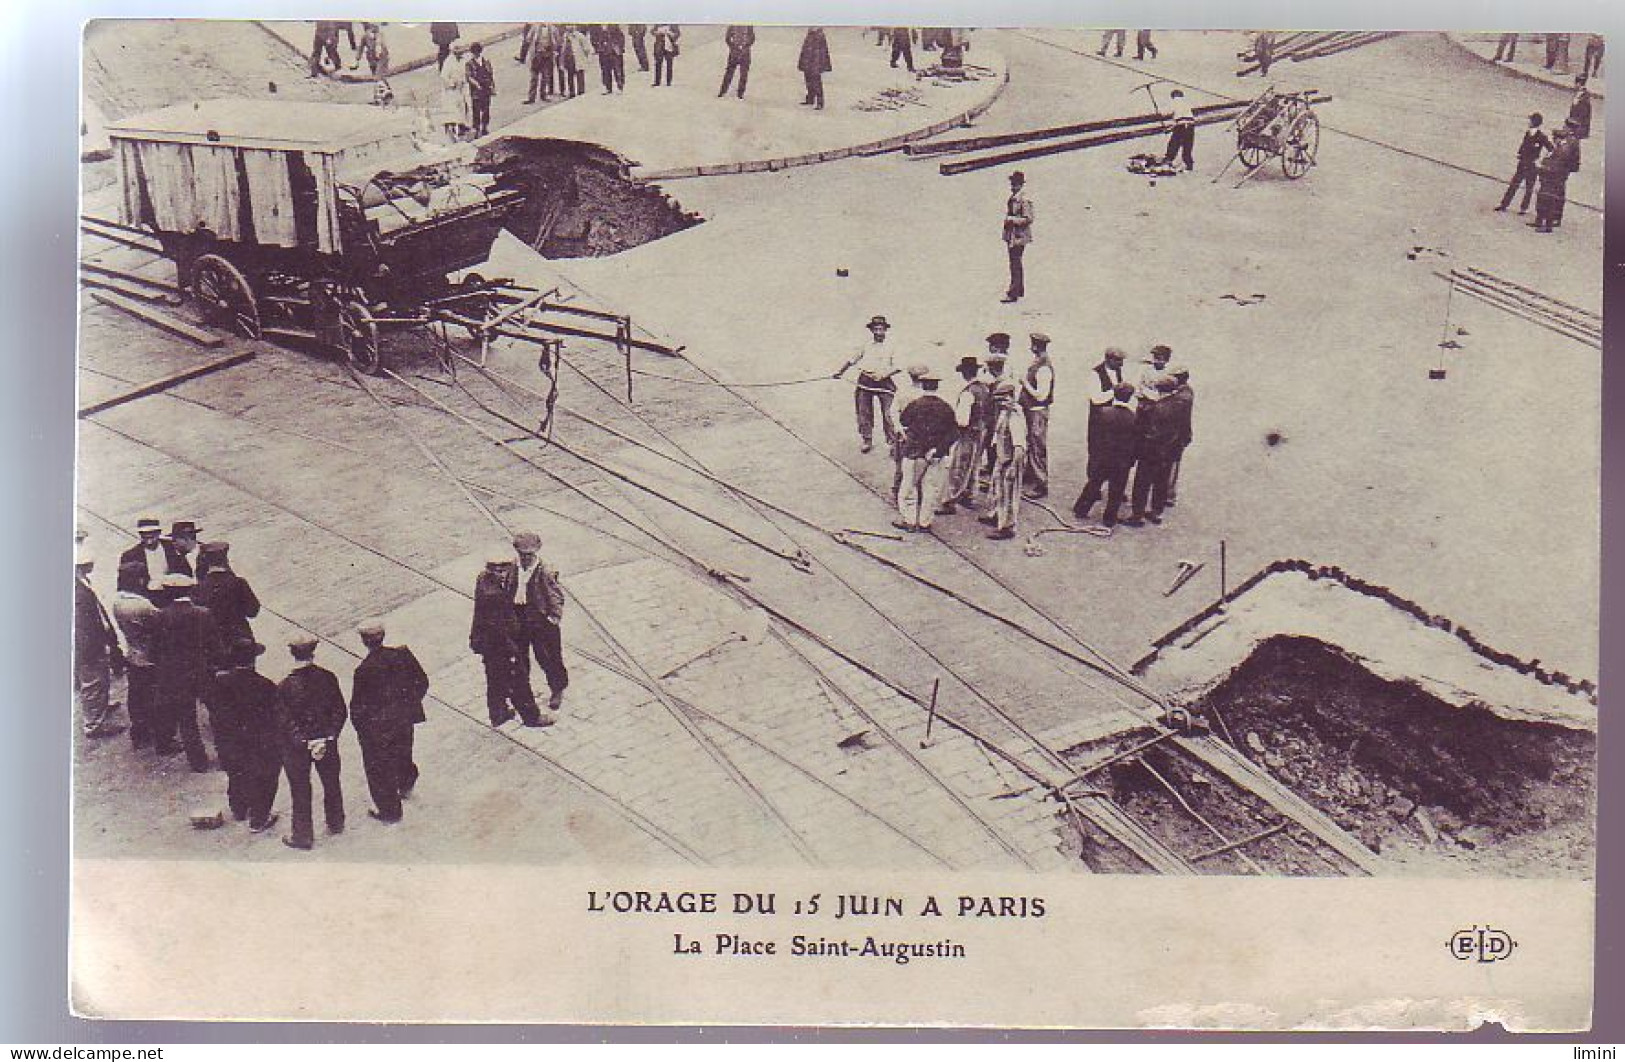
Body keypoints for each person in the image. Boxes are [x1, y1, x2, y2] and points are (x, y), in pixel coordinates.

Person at [349, 620, 430, 823]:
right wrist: (409, 704)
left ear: (364, 641)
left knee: (379, 769)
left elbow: (358, 707)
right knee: (404, 753)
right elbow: (422, 681)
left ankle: (390, 811)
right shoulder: (402, 655)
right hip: (404, 719)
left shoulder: (364, 670)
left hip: (380, 728)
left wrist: (363, 731)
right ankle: (406, 783)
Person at [275, 635, 348, 850]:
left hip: (297, 748)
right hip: (327, 741)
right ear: (313, 653)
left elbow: (284, 721)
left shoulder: (285, 686)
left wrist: (303, 741)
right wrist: (329, 736)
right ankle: (336, 822)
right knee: (332, 782)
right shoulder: (328, 677)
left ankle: (303, 835)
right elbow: (340, 711)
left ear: (292, 654)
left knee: (300, 789)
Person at [203, 639, 282, 833]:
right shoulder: (265, 685)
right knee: (265, 776)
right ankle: (259, 818)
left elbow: (213, 710)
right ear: (254, 660)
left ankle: (239, 809)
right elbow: (275, 716)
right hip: (257, 741)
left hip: (229, 739)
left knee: (236, 772)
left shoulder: (220, 682)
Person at [470, 552, 546, 728]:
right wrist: (512, 648)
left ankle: (498, 713)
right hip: (499, 642)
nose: (501, 572)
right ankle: (531, 717)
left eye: (504, 568)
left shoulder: (484, 580)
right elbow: (499, 626)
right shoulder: (493, 593)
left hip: (487, 641)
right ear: (490, 570)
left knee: (495, 677)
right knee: (518, 678)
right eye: (496, 569)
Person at [151, 573, 214, 771]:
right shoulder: (203, 613)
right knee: (218, 712)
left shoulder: (161, 616)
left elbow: (154, 649)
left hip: (176, 675)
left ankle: (199, 762)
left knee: (187, 719)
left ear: (168, 592)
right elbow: (216, 648)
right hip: (203, 671)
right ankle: (228, 754)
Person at [893, 366, 959, 532]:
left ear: (923, 385)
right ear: (937, 386)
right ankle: (925, 523)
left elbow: (904, 421)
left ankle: (909, 520)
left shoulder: (915, 405)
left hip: (915, 453)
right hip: (938, 455)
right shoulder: (946, 407)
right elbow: (954, 432)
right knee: (931, 489)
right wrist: (937, 449)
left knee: (909, 487)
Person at [512, 530, 569, 714]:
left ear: (536, 551)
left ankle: (557, 689)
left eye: (529, 554)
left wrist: (553, 618)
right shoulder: (513, 567)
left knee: (548, 657)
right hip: (519, 617)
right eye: (522, 553)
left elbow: (556, 597)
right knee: (519, 658)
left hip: (540, 620)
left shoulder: (545, 571)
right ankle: (522, 692)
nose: (526, 557)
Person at [1072, 384, 1139, 530]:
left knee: (1094, 483)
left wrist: (1095, 455)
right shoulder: (1133, 417)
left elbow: (1096, 437)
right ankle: (1109, 518)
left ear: (1114, 394)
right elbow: (1135, 443)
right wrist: (1131, 461)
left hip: (1104, 458)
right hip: (1122, 462)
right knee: (1117, 490)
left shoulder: (1103, 413)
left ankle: (1081, 509)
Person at [74, 548, 125, 740]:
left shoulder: (82, 583)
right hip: (89, 647)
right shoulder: (78, 592)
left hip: (95, 642)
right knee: (92, 683)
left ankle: (101, 707)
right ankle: (93, 724)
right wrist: (92, 648)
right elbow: (82, 626)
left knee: (100, 680)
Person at [832, 316, 901, 454]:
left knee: (889, 414)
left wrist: (883, 375)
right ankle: (867, 439)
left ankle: (893, 442)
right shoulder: (865, 345)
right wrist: (839, 372)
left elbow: (898, 366)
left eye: (881, 329)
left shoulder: (892, 346)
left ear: (886, 330)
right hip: (866, 381)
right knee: (863, 412)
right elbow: (851, 360)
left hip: (884, 381)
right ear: (872, 330)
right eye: (876, 329)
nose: (878, 332)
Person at [111, 561, 159, 749]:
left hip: (132, 653)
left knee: (136, 696)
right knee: (152, 695)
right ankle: (154, 730)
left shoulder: (118, 601)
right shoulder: (142, 604)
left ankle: (139, 733)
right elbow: (159, 621)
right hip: (149, 655)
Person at [1126, 375, 1182, 526]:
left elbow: (1151, 432)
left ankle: (1137, 516)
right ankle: (1156, 512)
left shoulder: (1157, 408)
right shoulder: (1178, 403)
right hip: (1168, 451)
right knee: (1161, 483)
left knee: (1142, 484)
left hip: (1151, 452)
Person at [939, 356, 993, 513]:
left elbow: (962, 420)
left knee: (959, 467)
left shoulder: (967, 393)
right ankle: (969, 495)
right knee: (974, 465)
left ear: (965, 373)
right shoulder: (984, 388)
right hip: (982, 431)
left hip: (968, 434)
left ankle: (950, 501)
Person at [194, 542, 260, 666]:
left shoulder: (199, 587)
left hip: (214, 643)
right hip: (240, 639)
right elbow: (253, 611)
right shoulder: (239, 583)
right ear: (226, 559)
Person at [978, 380, 1028, 540]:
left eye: (1004, 399)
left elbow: (1019, 447)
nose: (1000, 403)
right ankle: (996, 515)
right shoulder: (1004, 413)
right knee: (997, 490)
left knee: (1009, 494)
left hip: (1011, 459)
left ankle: (1007, 527)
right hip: (1002, 457)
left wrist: (1013, 467)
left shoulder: (1015, 416)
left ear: (1012, 397)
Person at [1019, 332, 1055, 499]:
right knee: (1031, 444)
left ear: (1037, 346)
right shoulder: (1038, 362)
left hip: (1037, 413)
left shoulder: (1044, 368)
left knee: (1037, 446)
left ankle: (1041, 484)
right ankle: (1030, 475)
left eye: (1033, 344)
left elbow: (1041, 395)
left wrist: (1024, 384)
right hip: (1031, 411)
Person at [1494, 113, 1551, 214]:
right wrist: (1520, 154)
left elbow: (1550, 149)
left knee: (1529, 188)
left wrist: (1541, 160)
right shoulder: (1528, 133)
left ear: (1534, 122)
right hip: (1522, 163)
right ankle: (1504, 204)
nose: (1528, 122)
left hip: (1532, 166)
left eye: (1530, 120)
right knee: (1514, 184)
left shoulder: (1541, 136)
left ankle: (1523, 208)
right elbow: (1523, 146)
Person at [1531, 121, 1581, 233]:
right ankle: (1545, 219)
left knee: (1552, 198)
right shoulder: (1564, 144)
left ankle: (1552, 220)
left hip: (1557, 175)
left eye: (1565, 127)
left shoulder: (1570, 143)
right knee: (1551, 197)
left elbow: (1570, 161)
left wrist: (1544, 168)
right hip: (1555, 174)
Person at [978, 336, 1012, 486]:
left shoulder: (1006, 365)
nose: (991, 348)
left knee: (995, 439)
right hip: (990, 408)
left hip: (997, 408)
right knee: (989, 440)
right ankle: (991, 466)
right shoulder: (992, 362)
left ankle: (995, 472)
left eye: (993, 346)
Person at [1162, 367, 1195, 509]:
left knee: (1172, 465)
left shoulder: (1181, 397)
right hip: (1181, 434)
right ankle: (1168, 494)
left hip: (1176, 436)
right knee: (1173, 464)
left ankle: (1169, 495)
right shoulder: (1187, 391)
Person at [1002, 171, 1034, 304]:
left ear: (1020, 185)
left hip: (1019, 236)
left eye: (1014, 184)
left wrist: (1012, 220)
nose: (1012, 186)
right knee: (1015, 262)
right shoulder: (1014, 197)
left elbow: (1029, 218)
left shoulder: (1024, 199)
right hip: (1013, 235)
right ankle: (1019, 289)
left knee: (1015, 263)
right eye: (1011, 183)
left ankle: (1013, 292)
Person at [118, 516, 168, 598]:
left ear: (158, 532)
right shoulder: (129, 555)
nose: (148, 536)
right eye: (144, 533)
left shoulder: (171, 547)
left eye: (151, 532)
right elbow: (123, 586)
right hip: (147, 598)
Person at [438, 42, 471, 141]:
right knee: (453, 109)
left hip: (460, 88)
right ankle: (452, 129)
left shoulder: (462, 60)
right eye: (458, 52)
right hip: (451, 90)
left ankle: (462, 126)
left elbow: (465, 72)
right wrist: (452, 83)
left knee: (462, 107)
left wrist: (464, 81)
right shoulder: (448, 62)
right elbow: (443, 76)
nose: (460, 54)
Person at [465, 42, 496, 138]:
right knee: (476, 110)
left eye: (477, 52)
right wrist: (476, 84)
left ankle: (485, 127)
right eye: (474, 52)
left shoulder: (486, 61)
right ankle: (477, 128)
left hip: (486, 89)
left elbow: (491, 75)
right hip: (476, 91)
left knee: (486, 109)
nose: (476, 54)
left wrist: (492, 87)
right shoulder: (469, 64)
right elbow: (469, 77)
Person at [521, 23, 557, 103]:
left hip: (547, 56)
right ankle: (531, 98)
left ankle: (543, 95)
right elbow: (528, 39)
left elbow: (556, 41)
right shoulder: (535, 27)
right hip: (537, 55)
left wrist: (550, 49)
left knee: (545, 77)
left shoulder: (552, 29)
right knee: (534, 77)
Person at [1163, 89, 1196, 171]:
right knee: (1187, 146)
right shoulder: (1187, 103)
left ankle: (1168, 160)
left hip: (1180, 126)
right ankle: (1189, 164)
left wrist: (1168, 127)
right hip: (1190, 126)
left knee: (1174, 143)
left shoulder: (1174, 102)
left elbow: (1170, 114)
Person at [719, 25, 756, 98]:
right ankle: (722, 92)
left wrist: (745, 47)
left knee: (744, 75)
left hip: (745, 54)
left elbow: (752, 38)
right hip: (734, 54)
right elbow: (727, 39)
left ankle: (740, 94)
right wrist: (733, 47)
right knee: (729, 73)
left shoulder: (749, 26)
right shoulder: (732, 25)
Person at [799, 27, 831, 109]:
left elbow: (820, 53)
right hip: (808, 59)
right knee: (808, 77)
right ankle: (810, 98)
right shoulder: (810, 34)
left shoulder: (819, 36)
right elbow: (806, 49)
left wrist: (817, 65)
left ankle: (820, 102)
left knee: (816, 79)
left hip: (815, 61)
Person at [592, 24, 626, 94]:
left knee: (617, 70)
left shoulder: (613, 25)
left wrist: (619, 47)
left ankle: (620, 87)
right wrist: (597, 47)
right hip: (603, 52)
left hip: (614, 52)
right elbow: (593, 38)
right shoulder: (596, 27)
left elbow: (621, 37)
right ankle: (608, 88)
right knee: (605, 71)